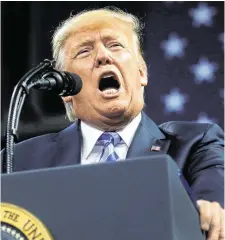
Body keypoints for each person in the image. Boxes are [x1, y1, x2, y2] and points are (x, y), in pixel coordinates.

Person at [2, 7, 224, 240]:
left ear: (141, 72)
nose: (102, 56)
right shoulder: (18, 161)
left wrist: (212, 206)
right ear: (66, 89)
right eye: (84, 51)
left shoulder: (195, 145)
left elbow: (214, 185)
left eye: (115, 45)